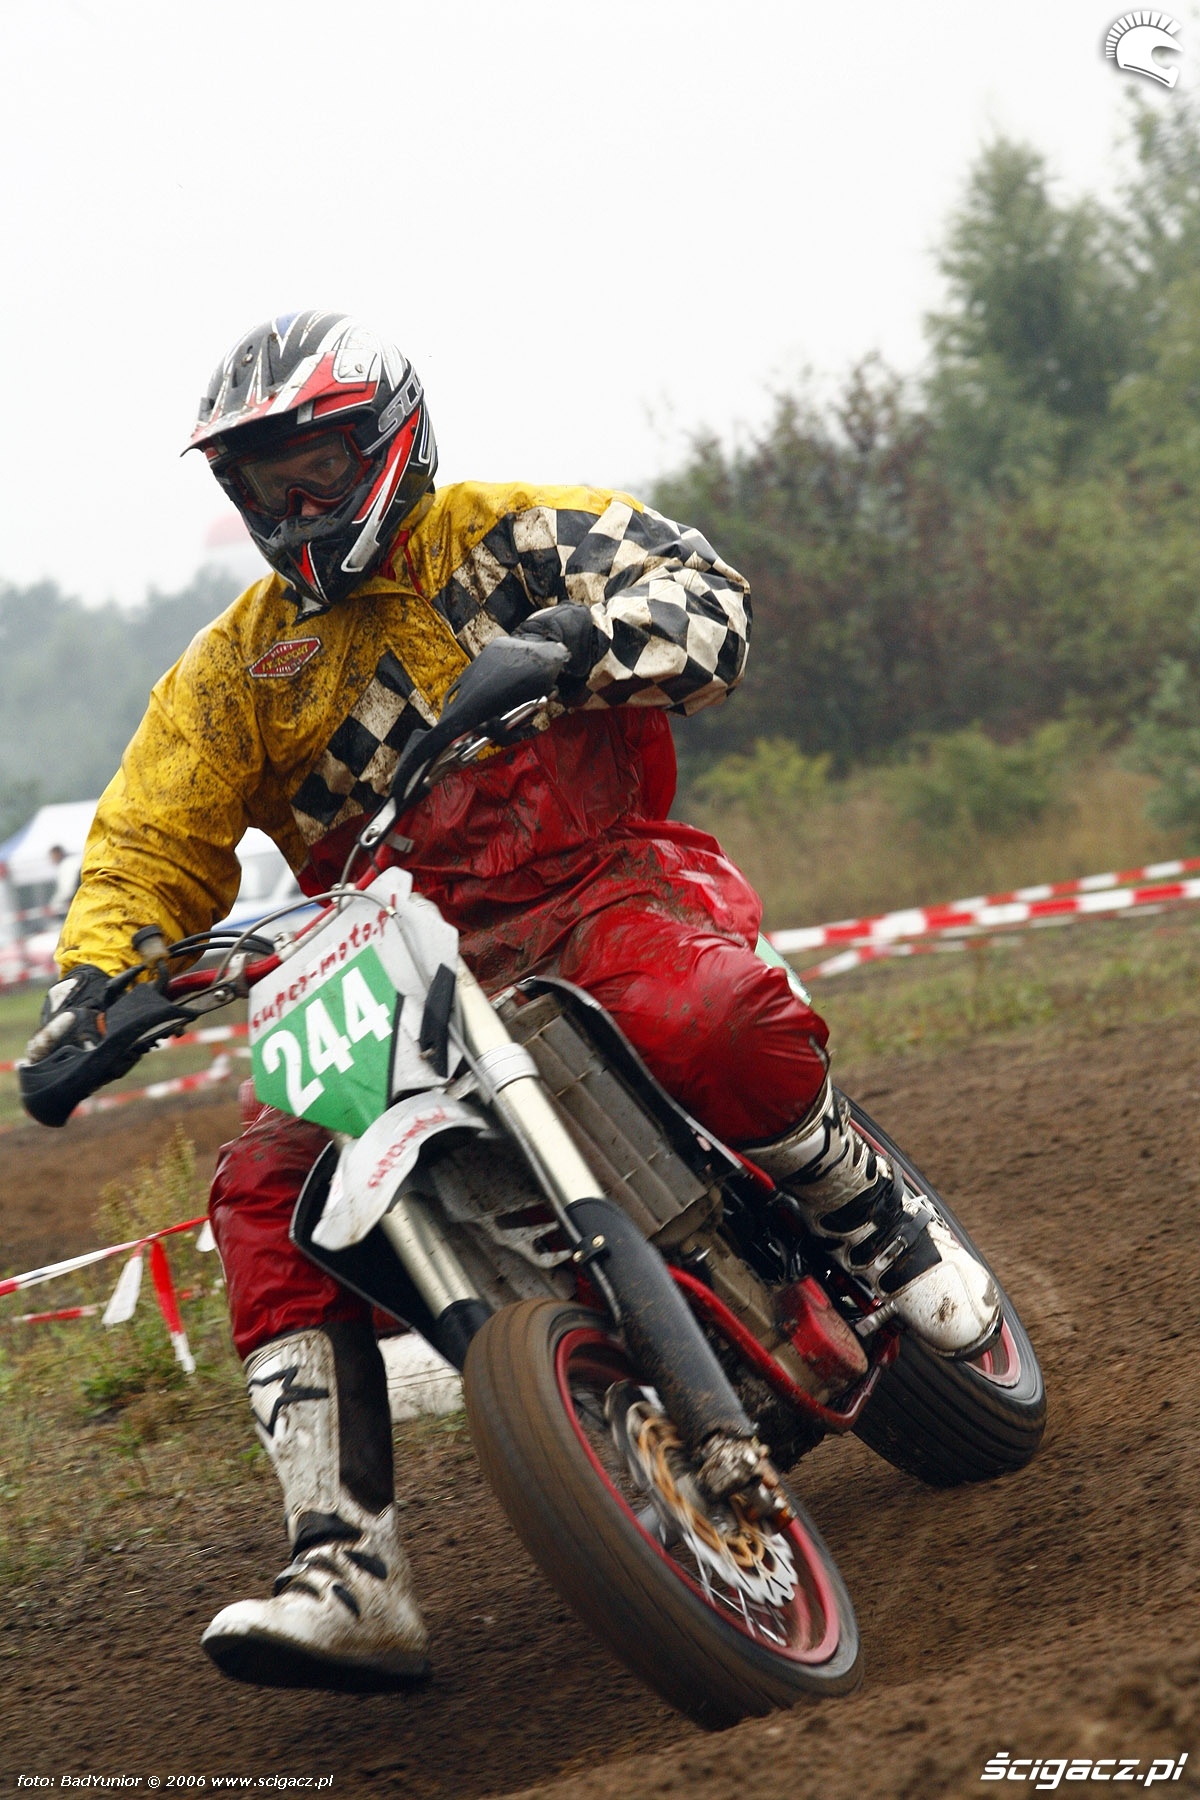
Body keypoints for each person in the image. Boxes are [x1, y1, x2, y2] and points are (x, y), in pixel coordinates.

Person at [24, 311, 999, 1692]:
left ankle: (869, 1216)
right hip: (391, 965)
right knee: (263, 1188)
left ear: (388, 444)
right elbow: (146, 838)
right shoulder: (237, 670)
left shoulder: (520, 532)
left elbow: (706, 597)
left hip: (591, 887)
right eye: (258, 488)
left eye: (312, 472)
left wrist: (572, 646)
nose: (289, 511)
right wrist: (94, 985)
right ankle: (346, 1563)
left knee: (707, 1017)